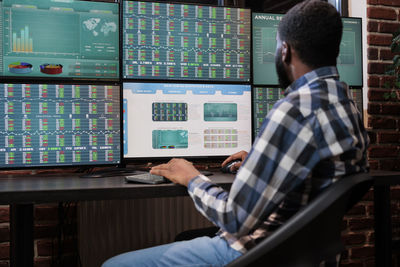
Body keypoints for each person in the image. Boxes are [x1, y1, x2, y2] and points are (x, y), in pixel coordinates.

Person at [102, 0, 369, 266]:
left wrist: (192, 177)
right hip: (310, 253)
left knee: (113, 265)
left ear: (285, 51)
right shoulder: (347, 105)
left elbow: (234, 218)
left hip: (260, 252)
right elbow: (312, 176)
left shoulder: (293, 109)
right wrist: (260, 160)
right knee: (185, 237)